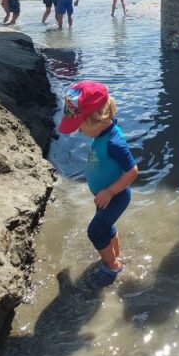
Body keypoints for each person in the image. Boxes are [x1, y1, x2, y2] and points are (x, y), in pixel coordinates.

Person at [58, 81, 138, 287]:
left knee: (94, 231)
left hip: (115, 196)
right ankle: (115, 255)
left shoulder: (114, 143)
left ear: (98, 119)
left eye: (80, 126)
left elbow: (132, 171)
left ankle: (113, 266)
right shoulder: (102, 133)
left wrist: (110, 192)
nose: (78, 131)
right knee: (105, 227)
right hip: (104, 196)